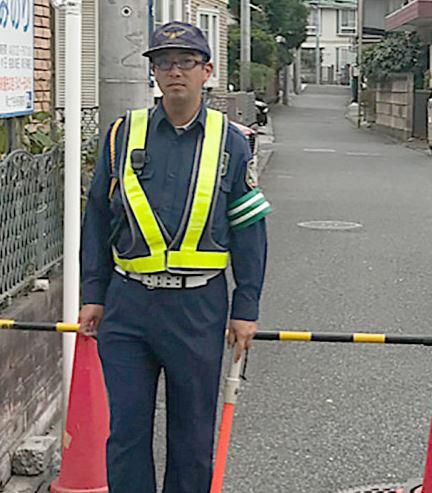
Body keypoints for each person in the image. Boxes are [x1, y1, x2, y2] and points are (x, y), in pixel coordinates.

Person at [78, 21, 271, 493]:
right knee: (124, 434)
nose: (174, 72)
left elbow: (249, 229)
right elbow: (99, 218)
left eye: (186, 62)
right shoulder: (123, 133)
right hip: (128, 306)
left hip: (197, 308)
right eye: (164, 63)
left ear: (207, 71)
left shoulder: (231, 140)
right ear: (154, 73)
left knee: (190, 437)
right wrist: (92, 294)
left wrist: (245, 307)